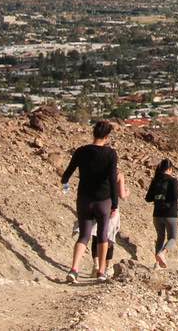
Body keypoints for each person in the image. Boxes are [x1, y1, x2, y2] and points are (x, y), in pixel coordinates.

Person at [61, 119, 118, 283]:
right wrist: (114, 203)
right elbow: (113, 180)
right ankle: (101, 272)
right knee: (102, 236)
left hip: (84, 199)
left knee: (84, 235)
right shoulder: (110, 154)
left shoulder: (81, 151)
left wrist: (65, 187)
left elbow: (66, 175)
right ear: (107, 136)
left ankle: (74, 270)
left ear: (93, 133)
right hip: (103, 200)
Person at [90, 171, 129, 273]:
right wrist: (127, 192)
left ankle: (96, 265)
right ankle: (107, 267)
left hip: (97, 203)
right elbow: (122, 195)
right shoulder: (119, 174)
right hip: (112, 206)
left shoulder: (98, 170)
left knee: (96, 234)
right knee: (109, 237)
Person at [145, 159, 178, 268]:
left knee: (160, 237)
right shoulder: (173, 181)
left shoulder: (155, 180)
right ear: (170, 169)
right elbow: (176, 196)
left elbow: (148, 198)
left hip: (157, 214)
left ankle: (157, 264)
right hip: (170, 214)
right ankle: (163, 253)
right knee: (172, 238)